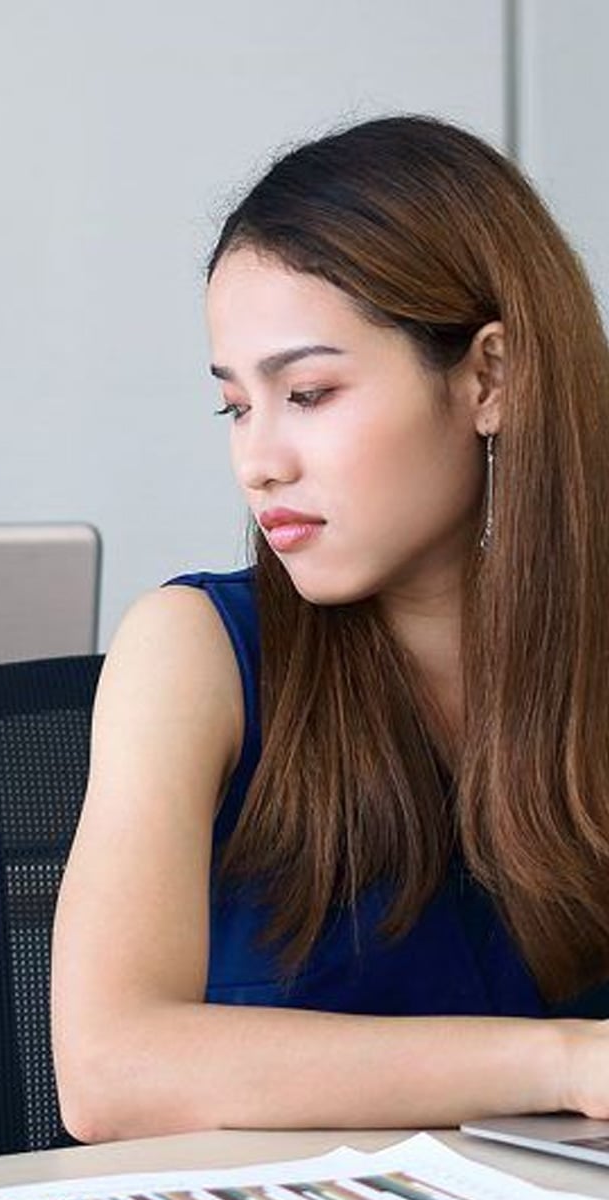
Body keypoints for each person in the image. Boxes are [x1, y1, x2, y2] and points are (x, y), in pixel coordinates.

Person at [51, 114, 609, 1143]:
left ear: (489, 377)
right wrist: (567, 1060)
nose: (258, 460)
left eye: (307, 392)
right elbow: (109, 1072)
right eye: (236, 407)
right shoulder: (193, 647)